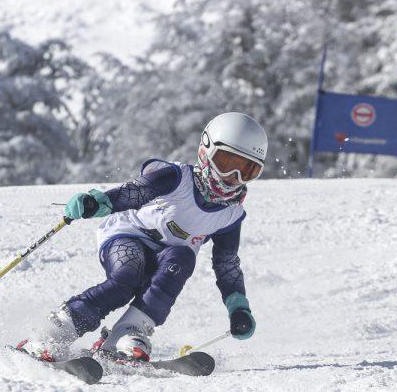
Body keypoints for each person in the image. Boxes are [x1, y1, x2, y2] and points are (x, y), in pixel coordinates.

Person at [15, 112, 266, 363]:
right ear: (206, 150)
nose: (233, 177)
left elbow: (226, 263)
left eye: (247, 170)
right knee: (127, 276)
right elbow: (132, 194)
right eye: (226, 162)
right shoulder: (176, 178)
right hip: (127, 235)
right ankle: (54, 332)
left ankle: (128, 332)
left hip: (168, 256)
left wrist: (238, 306)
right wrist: (97, 202)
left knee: (183, 257)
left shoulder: (230, 215)